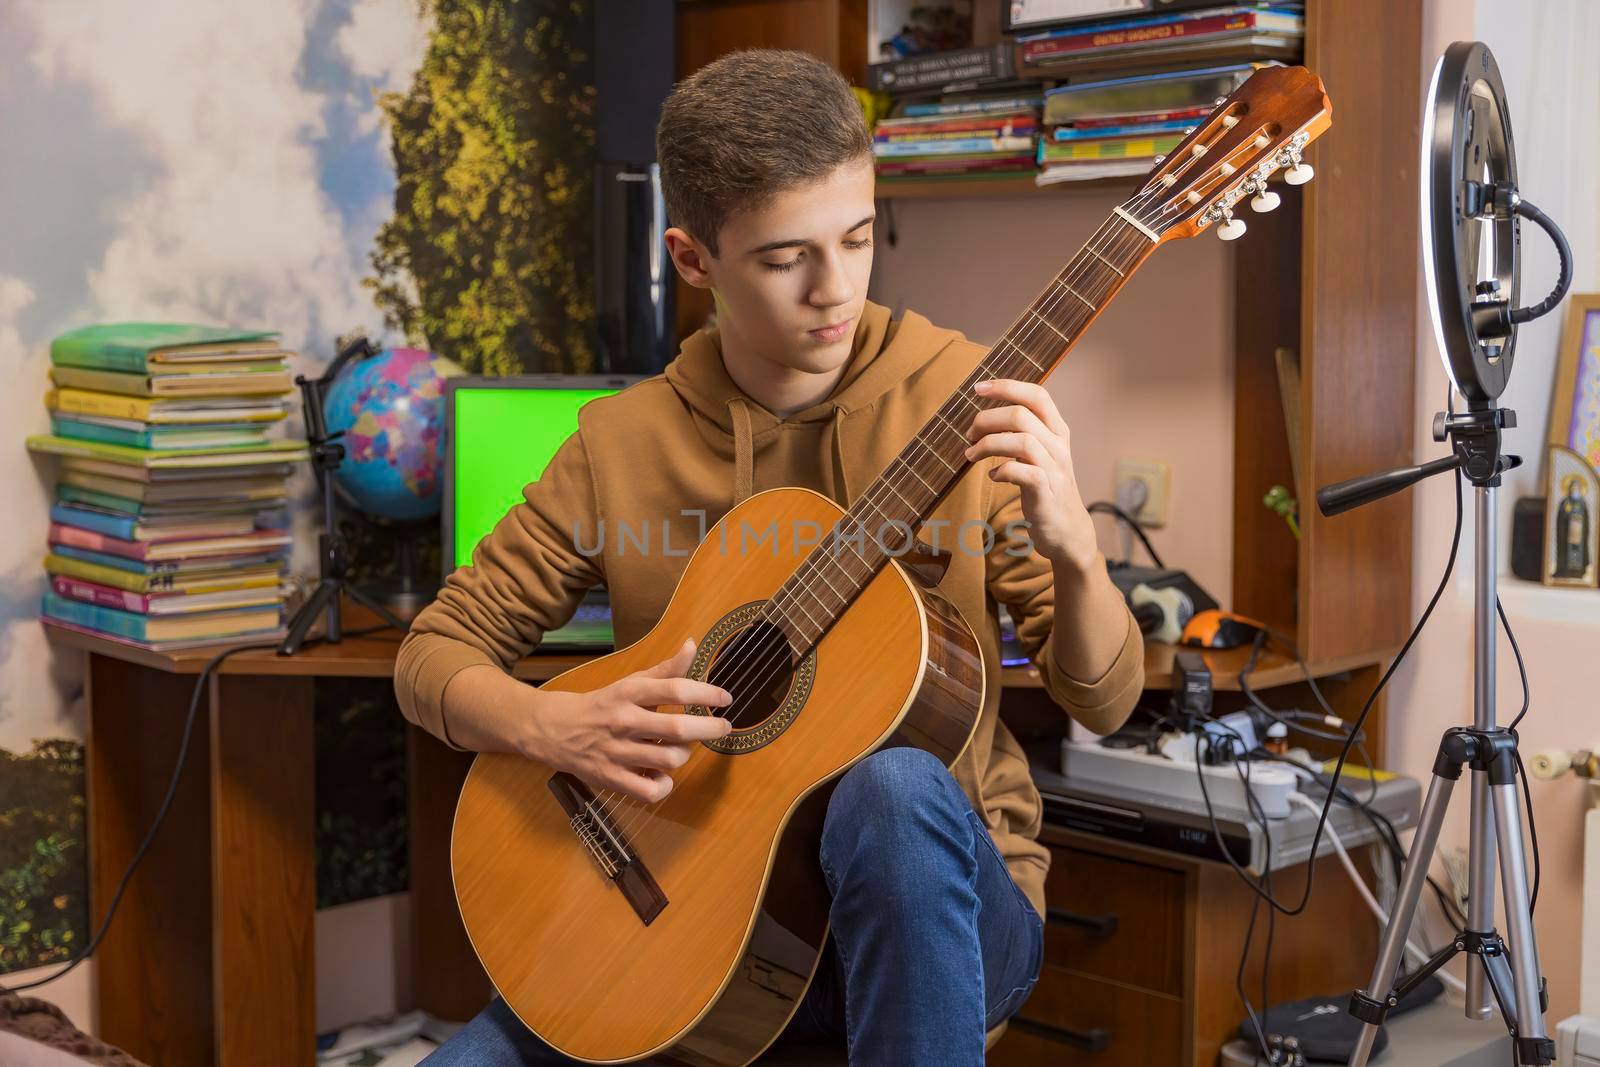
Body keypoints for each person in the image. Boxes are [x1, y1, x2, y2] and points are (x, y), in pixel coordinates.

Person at [396, 48, 1143, 1066]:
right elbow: (433, 653)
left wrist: (1074, 553)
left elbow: (1105, 701)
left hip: (933, 923)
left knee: (891, 784)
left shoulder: (968, 398)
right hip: (678, 919)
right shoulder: (620, 442)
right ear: (693, 259)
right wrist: (553, 722)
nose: (834, 290)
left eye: (859, 237)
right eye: (786, 257)